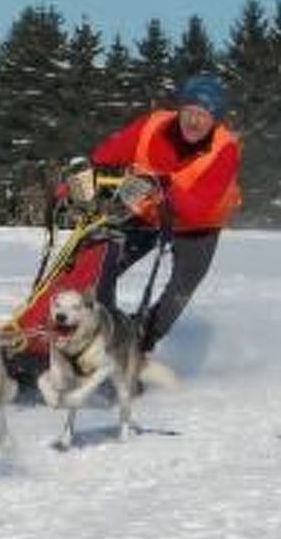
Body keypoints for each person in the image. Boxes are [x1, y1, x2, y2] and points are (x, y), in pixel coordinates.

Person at [74, 73, 243, 351]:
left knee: (181, 287)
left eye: (203, 115)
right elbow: (103, 158)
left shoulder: (225, 150)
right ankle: (95, 325)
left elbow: (197, 210)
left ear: (215, 120)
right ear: (180, 110)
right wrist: (73, 185)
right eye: (189, 111)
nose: (194, 121)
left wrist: (165, 185)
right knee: (95, 256)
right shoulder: (151, 126)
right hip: (143, 204)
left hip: (198, 224)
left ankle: (140, 340)